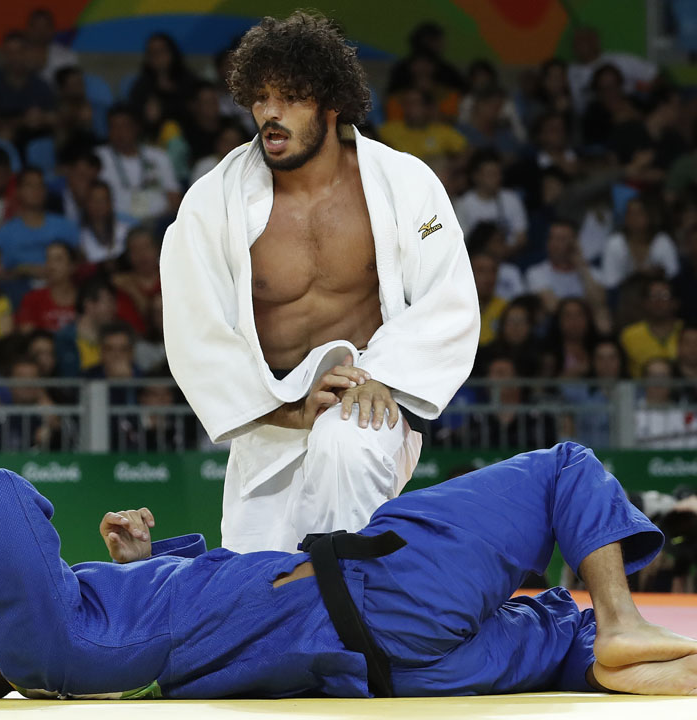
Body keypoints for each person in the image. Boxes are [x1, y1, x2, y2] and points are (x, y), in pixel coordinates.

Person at [0, 442, 697, 700]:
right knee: (564, 471)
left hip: (390, 672)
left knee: (556, 631)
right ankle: (624, 625)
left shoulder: (80, 653)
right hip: (378, 594)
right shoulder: (35, 640)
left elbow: (199, 616)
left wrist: (138, 564)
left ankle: (604, 655)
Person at [160, 12, 479, 554]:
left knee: (345, 452)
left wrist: (386, 376)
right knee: (258, 591)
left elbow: (447, 297)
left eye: (290, 97)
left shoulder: (403, 183)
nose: (271, 114)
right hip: (270, 423)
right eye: (260, 98)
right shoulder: (213, 204)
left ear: (332, 103)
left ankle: (350, 621)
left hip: (365, 399)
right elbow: (196, 334)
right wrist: (290, 411)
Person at [0, 167, 78, 291]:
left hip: (61, 290)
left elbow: (80, 263)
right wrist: (22, 270)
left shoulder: (65, 226)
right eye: (29, 185)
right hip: (20, 291)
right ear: (18, 191)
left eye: (40, 185)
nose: (36, 190)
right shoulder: (4, 233)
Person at [95, 104, 183, 226]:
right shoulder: (99, 157)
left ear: (136, 127)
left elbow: (174, 196)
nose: (120, 132)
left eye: (124, 126)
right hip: (118, 224)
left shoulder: (158, 156)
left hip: (158, 222)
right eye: (114, 126)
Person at [454, 150, 527, 262]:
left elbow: (522, 237)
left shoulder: (511, 199)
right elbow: (464, 241)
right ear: (476, 176)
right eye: (490, 174)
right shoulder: (464, 204)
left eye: (498, 173)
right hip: (476, 261)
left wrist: (504, 252)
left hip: (510, 257)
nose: (496, 178)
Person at [523, 219, 606, 314]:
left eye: (561, 239)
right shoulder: (535, 273)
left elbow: (599, 304)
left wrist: (581, 266)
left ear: (575, 243)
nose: (554, 244)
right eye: (551, 238)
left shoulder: (593, 274)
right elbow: (553, 307)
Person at [619, 278, 681, 379]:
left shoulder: (687, 332)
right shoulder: (629, 335)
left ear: (674, 302)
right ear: (645, 302)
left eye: (664, 296)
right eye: (653, 296)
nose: (659, 301)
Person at [15, 241, 79, 334]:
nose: (51, 266)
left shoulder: (84, 298)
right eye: (48, 259)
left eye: (58, 259)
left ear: (72, 266)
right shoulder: (32, 299)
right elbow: (27, 336)